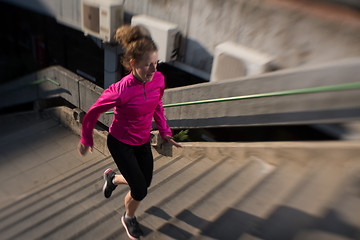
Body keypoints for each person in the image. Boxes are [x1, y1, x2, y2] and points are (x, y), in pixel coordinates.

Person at [78, 25, 182, 240]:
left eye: (156, 63)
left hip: (142, 141)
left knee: (145, 182)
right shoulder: (120, 90)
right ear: (133, 64)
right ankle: (129, 218)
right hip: (120, 143)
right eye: (148, 65)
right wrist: (87, 137)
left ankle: (112, 178)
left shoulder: (158, 80)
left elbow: (157, 106)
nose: (154, 70)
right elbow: (93, 112)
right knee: (140, 190)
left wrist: (165, 131)